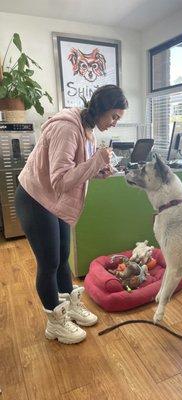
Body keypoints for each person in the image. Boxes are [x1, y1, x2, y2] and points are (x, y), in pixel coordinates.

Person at [15, 84, 128, 344]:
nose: (113, 123)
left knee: (63, 255)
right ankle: (55, 323)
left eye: (117, 119)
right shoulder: (67, 127)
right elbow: (60, 180)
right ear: (101, 109)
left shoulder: (88, 130)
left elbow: (77, 170)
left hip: (55, 201)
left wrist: (97, 171)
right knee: (49, 262)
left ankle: (71, 306)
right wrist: (96, 162)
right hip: (36, 198)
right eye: (113, 116)